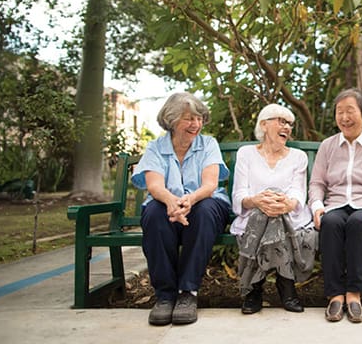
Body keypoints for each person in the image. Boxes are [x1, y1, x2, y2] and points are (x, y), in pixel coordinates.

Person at [131, 92, 232, 326]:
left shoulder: (208, 144)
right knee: (154, 214)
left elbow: (209, 185)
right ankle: (165, 296)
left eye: (199, 118)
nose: (196, 124)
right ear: (172, 120)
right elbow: (154, 185)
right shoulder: (156, 147)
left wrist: (189, 200)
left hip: (203, 200)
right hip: (168, 204)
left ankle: (188, 292)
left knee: (205, 211)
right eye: (189, 119)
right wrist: (172, 202)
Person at [308, 88, 362, 323]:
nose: (344, 117)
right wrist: (317, 206)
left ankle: (354, 295)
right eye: (339, 112)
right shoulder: (327, 146)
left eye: (350, 111)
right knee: (331, 222)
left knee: (357, 223)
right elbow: (316, 183)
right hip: (335, 205)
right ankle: (335, 295)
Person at [230, 104, 318, 314]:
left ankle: (254, 287)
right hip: (253, 217)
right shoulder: (246, 154)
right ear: (264, 125)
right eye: (280, 121)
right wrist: (257, 201)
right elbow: (239, 195)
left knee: (275, 217)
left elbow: (298, 193)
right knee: (264, 215)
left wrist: (287, 203)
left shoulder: (298, 157)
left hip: (288, 217)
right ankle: (286, 284)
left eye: (289, 123)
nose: (286, 127)